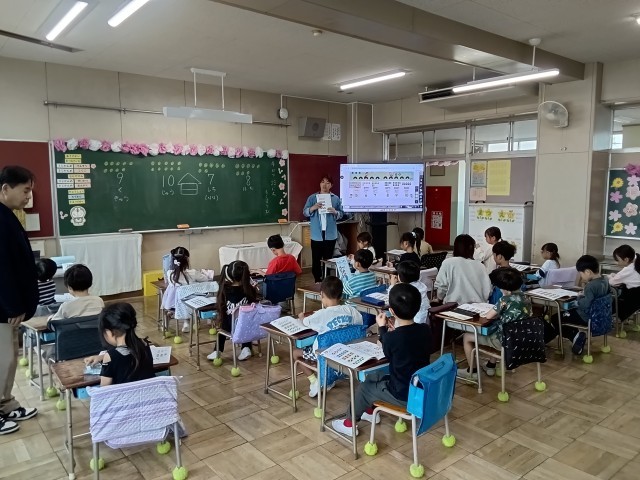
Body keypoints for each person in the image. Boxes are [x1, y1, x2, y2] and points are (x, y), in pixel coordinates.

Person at [331, 283, 432, 436]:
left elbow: (387, 348)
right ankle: (370, 412)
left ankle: (349, 423)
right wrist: (392, 332)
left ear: (391, 311)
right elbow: (405, 341)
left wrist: (382, 328)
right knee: (373, 377)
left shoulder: (393, 338)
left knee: (364, 389)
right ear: (418, 308)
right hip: (418, 387)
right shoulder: (425, 330)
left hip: (403, 394)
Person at [0, 166, 39, 435]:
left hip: (9, 307)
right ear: (5, 189)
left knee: (10, 358)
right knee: (3, 359)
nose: (28, 197)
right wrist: (12, 305)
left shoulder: (8, 216)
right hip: (4, 307)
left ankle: (6, 404)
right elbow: (1, 269)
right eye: (25, 191)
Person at [293, 276, 363, 398]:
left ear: (321, 294)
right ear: (341, 295)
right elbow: (359, 324)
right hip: (346, 353)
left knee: (295, 353)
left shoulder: (321, 314)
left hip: (325, 354)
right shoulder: (351, 310)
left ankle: (315, 382)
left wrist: (301, 317)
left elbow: (304, 322)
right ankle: (328, 376)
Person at [458, 268, 532, 380]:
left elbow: (489, 316)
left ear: (505, 289)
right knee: (498, 331)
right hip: (520, 339)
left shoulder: (505, 299)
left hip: (504, 340)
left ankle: (472, 371)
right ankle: (490, 365)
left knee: (467, 336)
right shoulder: (526, 297)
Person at [84, 303, 154, 386]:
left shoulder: (110, 356)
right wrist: (101, 357)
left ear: (110, 332)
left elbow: (104, 389)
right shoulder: (144, 344)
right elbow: (128, 354)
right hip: (149, 392)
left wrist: (106, 358)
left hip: (125, 394)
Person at [559, 255, 610, 355]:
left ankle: (575, 336)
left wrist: (577, 300)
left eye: (581, 273)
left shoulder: (590, 286)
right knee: (564, 315)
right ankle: (576, 336)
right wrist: (584, 295)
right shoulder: (605, 280)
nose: (581, 276)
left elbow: (585, 305)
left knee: (556, 318)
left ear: (587, 272)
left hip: (586, 317)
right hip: (601, 317)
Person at [208, 261, 257, 362]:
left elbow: (221, 307)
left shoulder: (224, 288)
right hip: (247, 326)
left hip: (229, 326)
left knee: (222, 327)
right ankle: (246, 348)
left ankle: (217, 351)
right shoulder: (250, 289)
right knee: (246, 323)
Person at [303, 175, 345, 283]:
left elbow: (342, 213)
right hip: (316, 235)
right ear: (320, 184)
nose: (324, 185)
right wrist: (313, 208)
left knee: (329, 258)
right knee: (316, 258)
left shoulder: (335, 198)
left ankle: (327, 279)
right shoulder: (312, 198)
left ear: (331, 185)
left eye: (327, 183)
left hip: (330, 234)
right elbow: (305, 212)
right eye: (322, 182)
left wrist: (335, 212)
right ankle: (317, 279)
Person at [162, 246, 210, 332]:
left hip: (172, 304)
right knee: (187, 303)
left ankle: (166, 324)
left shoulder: (169, 273)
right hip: (188, 303)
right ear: (187, 260)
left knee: (175, 306)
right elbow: (205, 279)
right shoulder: (192, 273)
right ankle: (186, 323)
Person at [434, 234, 491, 304]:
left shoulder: (448, 263)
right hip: (479, 307)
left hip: (454, 307)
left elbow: (441, 288)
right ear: (472, 249)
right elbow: (487, 290)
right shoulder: (480, 265)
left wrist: (439, 299)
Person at [609, 245, 640, 321]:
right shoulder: (637, 258)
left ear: (626, 259)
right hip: (637, 298)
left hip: (633, 299)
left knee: (610, 303)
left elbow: (612, 282)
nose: (617, 263)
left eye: (618, 260)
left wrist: (611, 276)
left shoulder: (629, 269)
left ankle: (613, 320)